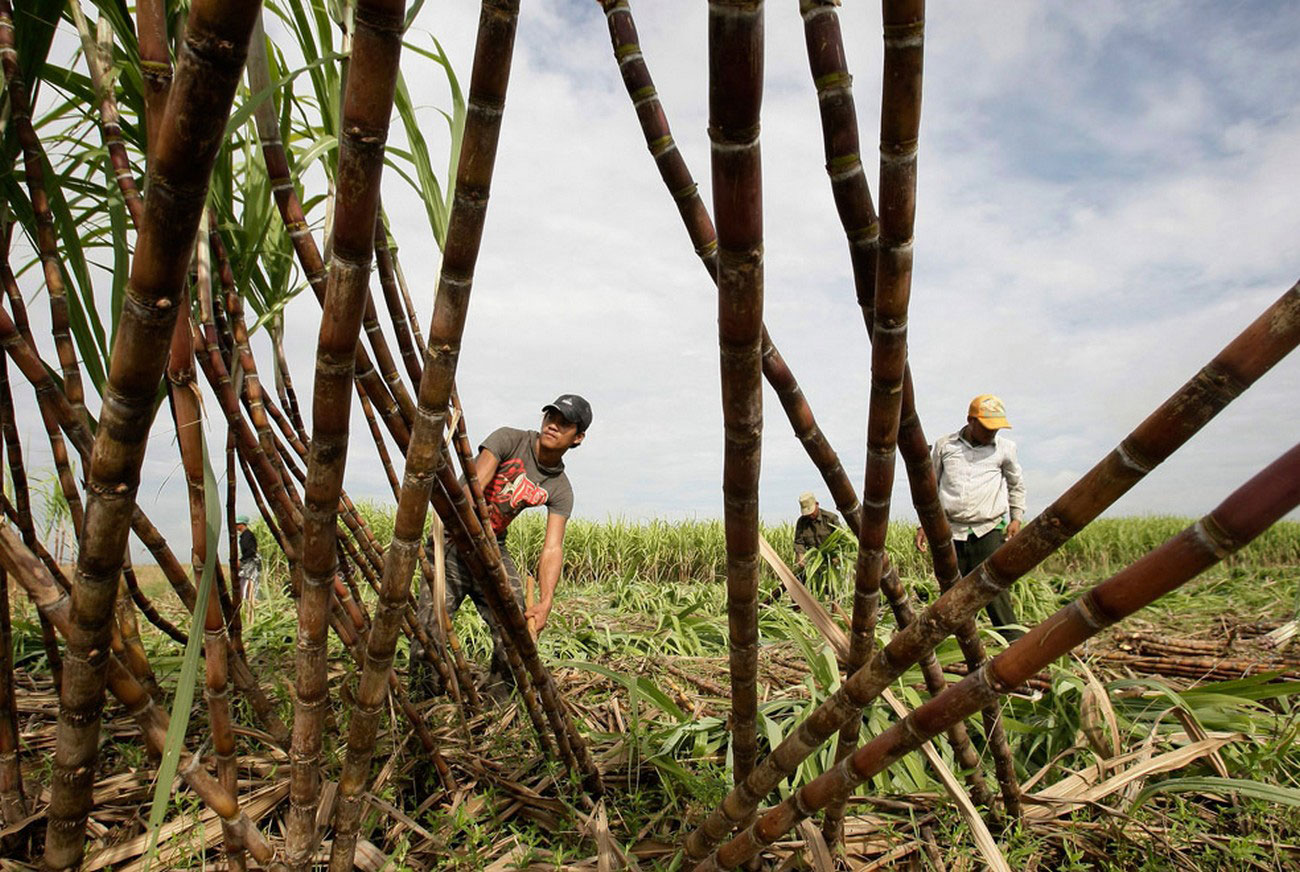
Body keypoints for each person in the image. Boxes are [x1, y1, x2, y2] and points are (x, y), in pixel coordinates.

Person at [425, 394, 591, 698]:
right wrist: (469, 528)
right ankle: (426, 705)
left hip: (494, 547)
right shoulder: (508, 439)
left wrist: (546, 600)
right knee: (429, 630)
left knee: (515, 630)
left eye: (564, 423)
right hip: (454, 537)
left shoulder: (560, 489)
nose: (553, 425)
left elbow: (552, 547)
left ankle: (497, 706)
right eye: (551, 417)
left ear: (577, 438)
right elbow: (475, 487)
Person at [915, 394, 1026, 641]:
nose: (991, 433)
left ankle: (1013, 643)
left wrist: (1016, 517)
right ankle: (959, 645)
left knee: (994, 591)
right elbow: (930, 488)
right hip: (949, 531)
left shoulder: (1005, 449)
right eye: (987, 428)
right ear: (970, 421)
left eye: (996, 428)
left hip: (988, 529)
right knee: (952, 594)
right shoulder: (945, 446)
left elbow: (1015, 484)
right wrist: (925, 523)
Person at [793, 492, 842, 571]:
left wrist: (838, 557)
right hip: (813, 565)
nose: (809, 515)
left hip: (832, 564)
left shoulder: (830, 518)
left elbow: (842, 539)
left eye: (811, 511)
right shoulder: (802, 522)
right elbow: (799, 542)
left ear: (817, 504)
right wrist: (800, 555)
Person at [235, 514, 261, 615]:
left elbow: (250, 551)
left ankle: (250, 607)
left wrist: (241, 561)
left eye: (237, 524)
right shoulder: (245, 535)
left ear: (242, 524)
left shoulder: (247, 536)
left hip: (250, 564)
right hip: (249, 562)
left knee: (248, 583)